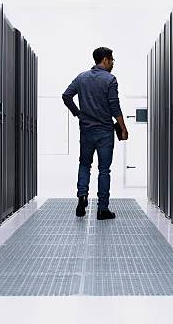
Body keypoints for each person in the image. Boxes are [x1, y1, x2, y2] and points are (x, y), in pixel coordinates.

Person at [62, 47, 129, 220]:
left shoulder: (81, 77)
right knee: (104, 170)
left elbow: (66, 96)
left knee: (84, 164)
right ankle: (102, 209)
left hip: (86, 130)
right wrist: (123, 128)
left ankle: (82, 199)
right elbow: (115, 107)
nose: (113, 63)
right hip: (105, 131)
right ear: (105, 60)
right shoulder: (110, 79)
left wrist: (78, 113)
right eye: (112, 59)